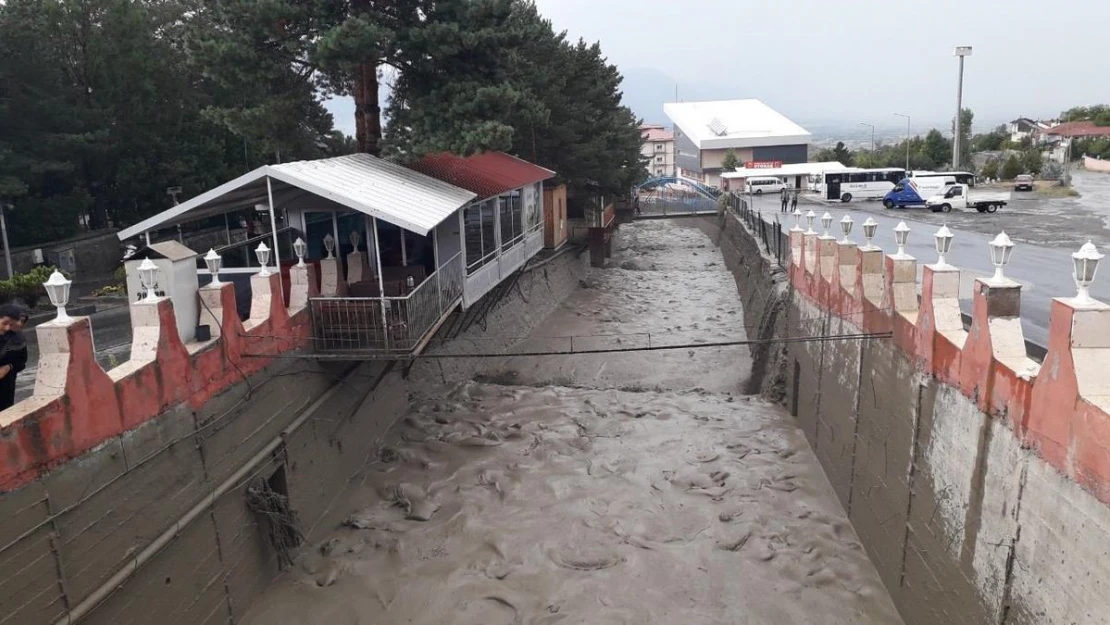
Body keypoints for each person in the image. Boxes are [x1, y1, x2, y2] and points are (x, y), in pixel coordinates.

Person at [0, 304, 29, 411]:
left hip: (6, 388)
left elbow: (22, 361)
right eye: (5, 323)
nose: (8, 328)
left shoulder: (17, 339)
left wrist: (8, 367)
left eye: (11, 324)